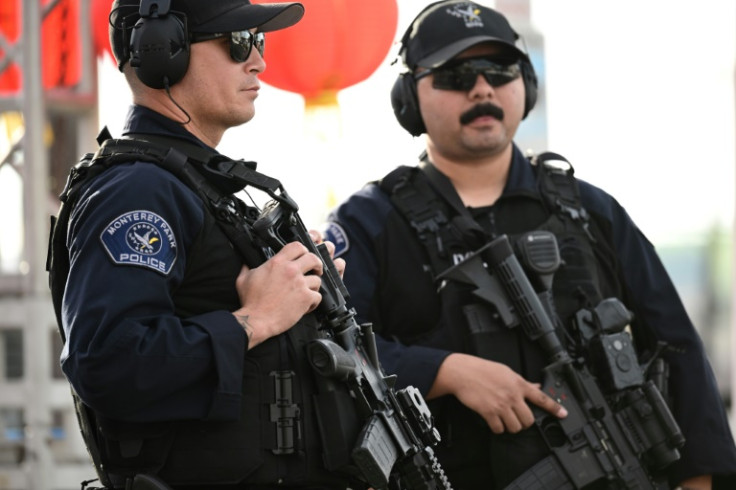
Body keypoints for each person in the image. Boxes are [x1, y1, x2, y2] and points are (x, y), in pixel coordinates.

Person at [324, 1, 736, 489]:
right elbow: (329, 353)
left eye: (500, 71)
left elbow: (679, 351)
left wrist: (701, 480)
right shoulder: (369, 221)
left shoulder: (590, 211)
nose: (482, 88)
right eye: (456, 75)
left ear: (527, 86)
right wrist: (445, 371)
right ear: (409, 97)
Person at [47, 0, 366, 488]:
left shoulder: (198, 185)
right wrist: (252, 321)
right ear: (162, 53)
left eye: (259, 41)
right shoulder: (139, 191)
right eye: (238, 42)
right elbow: (106, 362)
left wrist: (300, 302)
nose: (258, 60)